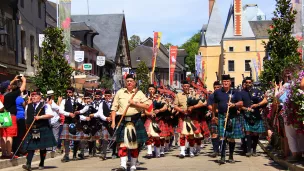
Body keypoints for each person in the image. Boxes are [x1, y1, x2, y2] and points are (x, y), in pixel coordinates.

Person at [110, 74, 150, 171]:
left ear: (135, 82)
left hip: (136, 121)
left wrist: (135, 103)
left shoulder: (139, 93)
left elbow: (148, 105)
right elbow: (113, 108)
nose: (129, 82)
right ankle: (123, 165)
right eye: (127, 80)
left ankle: (133, 165)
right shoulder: (119, 92)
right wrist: (113, 122)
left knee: (134, 145)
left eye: (131, 81)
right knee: (122, 144)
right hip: (123, 121)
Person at [22, 89, 57, 170]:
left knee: (42, 147)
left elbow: (50, 115)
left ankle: (41, 163)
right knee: (30, 147)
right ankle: (28, 164)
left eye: (35, 96)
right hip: (32, 129)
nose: (33, 97)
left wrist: (40, 117)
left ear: (40, 97)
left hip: (42, 128)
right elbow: (26, 118)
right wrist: (27, 126)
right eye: (32, 96)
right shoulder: (28, 106)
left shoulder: (45, 105)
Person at [213, 74, 244, 164]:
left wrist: (234, 105)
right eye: (224, 81)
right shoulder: (217, 92)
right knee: (222, 137)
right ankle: (222, 157)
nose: (225, 83)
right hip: (222, 116)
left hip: (232, 116)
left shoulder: (235, 92)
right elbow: (214, 105)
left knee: (231, 138)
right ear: (222, 83)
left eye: (227, 81)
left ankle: (230, 156)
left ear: (230, 82)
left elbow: (241, 103)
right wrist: (214, 116)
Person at [173, 81, 206, 158]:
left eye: (188, 86)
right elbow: (174, 106)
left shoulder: (195, 95)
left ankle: (191, 151)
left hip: (192, 116)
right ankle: (182, 152)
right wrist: (181, 110)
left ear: (189, 87)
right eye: (185, 86)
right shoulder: (178, 95)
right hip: (182, 116)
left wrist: (193, 107)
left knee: (191, 135)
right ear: (182, 87)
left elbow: (201, 103)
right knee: (182, 135)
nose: (186, 88)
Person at [240, 77, 267, 157]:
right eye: (246, 82)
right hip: (246, 115)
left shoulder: (257, 91)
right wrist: (245, 108)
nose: (248, 84)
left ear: (252, 83)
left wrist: (257, 105)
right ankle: (248, 150)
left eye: (249, 82)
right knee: (247, 131)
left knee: (255, 133)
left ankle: (254, 150)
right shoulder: (241, 93)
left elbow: (265, 100)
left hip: (256, 115)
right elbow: (239, 104)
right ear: (245, 83)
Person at [1, 75, 26, 159]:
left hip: (2, 115)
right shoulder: (10, 95)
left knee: (3, 135)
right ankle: (8, 153)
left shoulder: (2, 95)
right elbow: (22, 89)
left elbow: (8, 85)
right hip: (10, 116)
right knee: (10, 136)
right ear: (8, 87)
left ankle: (4, 153)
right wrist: (24, 80)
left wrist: (14, 80)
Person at [59, 87, 86, 162]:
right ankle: (66, 155)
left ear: (73, 92)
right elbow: (60, 110)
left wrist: (79, 112)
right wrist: (68, 114)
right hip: (67, 121)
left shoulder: (79, 100)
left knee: (77, 139)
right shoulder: (64, 101)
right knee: (66, 139)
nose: (68, 94)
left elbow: (85, 108)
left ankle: (74, 154)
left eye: (70, 92)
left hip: (76, 121)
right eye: (67, 92)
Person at [144, 84, 169, 158]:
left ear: (155, 90)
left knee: (158, 137)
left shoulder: (160, 98)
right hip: (149, 119)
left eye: (152, 89)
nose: (151, 90)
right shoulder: (146, 99)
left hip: (158, 119)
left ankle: (158, 152)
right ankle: (149, 152)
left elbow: (165, 107)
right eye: (150, 89)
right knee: (148, 136)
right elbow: (144, 110)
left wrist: (159, 110)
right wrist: (150, 113)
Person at [90, 90, 115, 160]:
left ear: (111, 96)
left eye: (109, 96)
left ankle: (114, 153)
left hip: (113, 122)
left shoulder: (115, 103)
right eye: (106, 96)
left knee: (114, 137)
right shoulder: (102, 103)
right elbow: (100, 113)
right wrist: (106, 118)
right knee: (105, 138)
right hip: (105, 122)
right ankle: (104, 154)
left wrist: (112, 118)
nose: (107, 97)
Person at [207, 81, 221, 158]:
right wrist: (215, 110)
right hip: (214, 116)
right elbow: (208, 105)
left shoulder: (223, 95)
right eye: (215, 87)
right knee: (214, 134)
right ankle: (215, 151)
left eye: (218, 87)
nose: (216, 89)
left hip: (223, 116)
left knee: (222, 135)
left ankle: (220, 148)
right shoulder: (211, 96)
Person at [46, 90, 62, 157]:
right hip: (54, 120)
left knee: (51, 135)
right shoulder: (50, 102)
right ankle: (53, 149)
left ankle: (49, 148)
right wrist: (60, 101)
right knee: (55, 135)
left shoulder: (47, 102)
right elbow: (59, 109)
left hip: (51, 120)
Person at [12, 90, 27, 157]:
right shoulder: (19, 98)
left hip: (14, 117)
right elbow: (25, 106)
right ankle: (20, 150)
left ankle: (15, 149)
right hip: (21, 117)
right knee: (21, 135)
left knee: (15, 135)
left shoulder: (12, 98)